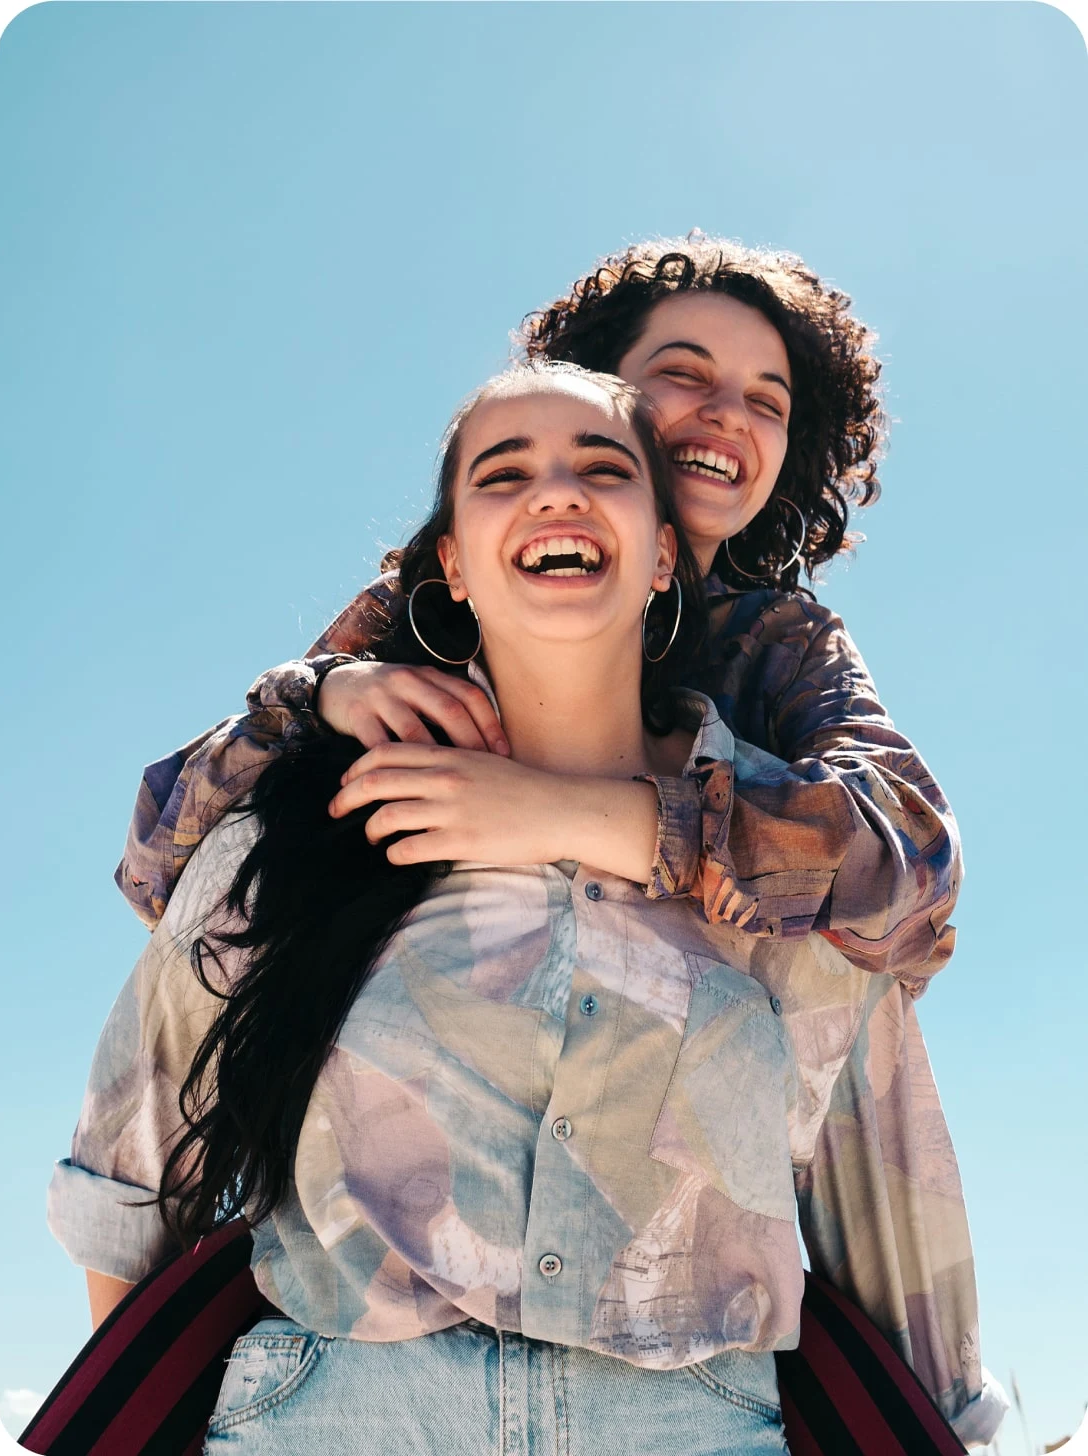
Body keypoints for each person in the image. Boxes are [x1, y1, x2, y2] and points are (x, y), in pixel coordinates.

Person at [49, 364, 1003, 1452]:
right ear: (452, 562)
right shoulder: (301, 833)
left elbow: (892, 1231)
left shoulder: (792, 863)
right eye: (505, 475)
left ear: (660, 555)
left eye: (603, 469)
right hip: (330, 1416)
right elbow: (130, 1171)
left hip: (699, 1421)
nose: (556, 494)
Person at [116, 236, 958, 1006]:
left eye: (767, 402)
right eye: (687, 375)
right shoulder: (429, 607)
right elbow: (160, 866)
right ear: (596, 385)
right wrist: (317, 700)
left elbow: (916, 887)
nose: (730, 414)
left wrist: (566, 813)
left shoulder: (784, 648)